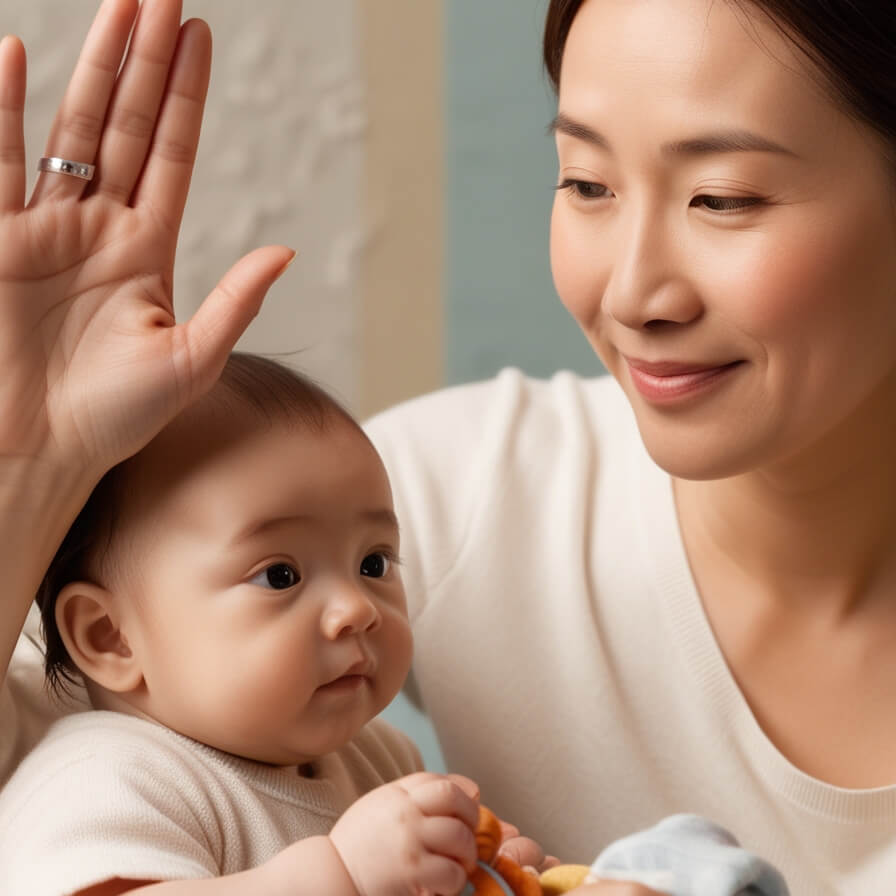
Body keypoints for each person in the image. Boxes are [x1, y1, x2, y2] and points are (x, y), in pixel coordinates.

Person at [1, 0, 894, 894]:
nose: (632, 294)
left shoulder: (362, 643)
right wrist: (30, 462)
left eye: (722, 197)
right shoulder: (453, 496)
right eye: (586, 183)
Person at [0, 350, 487, 896]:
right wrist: (340, 876)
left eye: (373, 564)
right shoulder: (106, 775)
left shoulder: (379, 757)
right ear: (110, 637)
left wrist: (474, 872)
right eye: (280, 575)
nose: (358, 608)